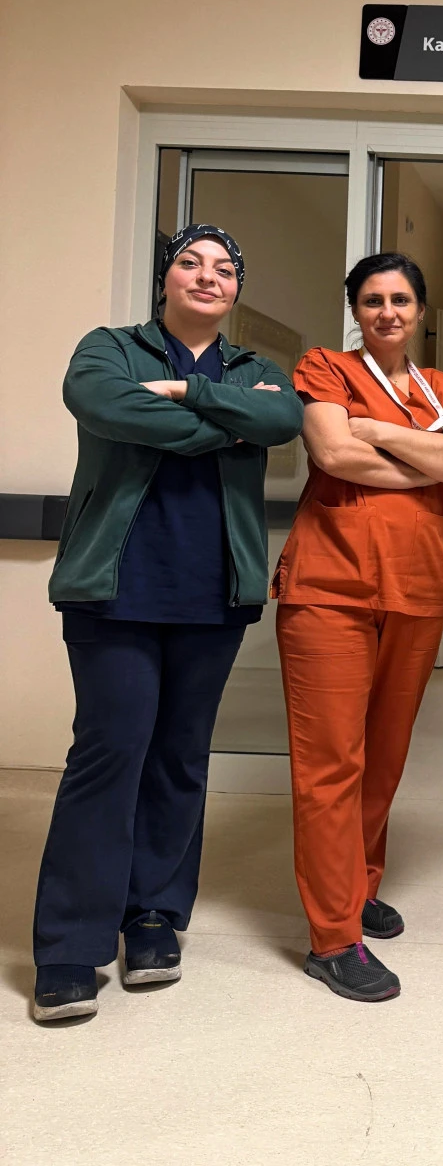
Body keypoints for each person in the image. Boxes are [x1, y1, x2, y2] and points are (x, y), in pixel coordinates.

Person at [33, 224, 304, 1023]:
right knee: (109, 754)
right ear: (166, 279)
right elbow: (102, 404)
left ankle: (152, 915)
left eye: (224, 268)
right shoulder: (110, 349)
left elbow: (283, 422)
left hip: (212, 593)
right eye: (191, 262)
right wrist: (228, 424)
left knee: (181, 757)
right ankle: (70, 945)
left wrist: (186, 395)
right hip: (113, 587)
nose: (207, 276)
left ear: (236, 289)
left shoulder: (257, 370)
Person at [274, 252, 443, 1003]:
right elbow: (332, 451)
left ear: (419, 310)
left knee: (384, 758)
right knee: (331, 763)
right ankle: (333, 939)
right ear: (355, 310)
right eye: (372, 300)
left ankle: (356, 887)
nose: (387, 311)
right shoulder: (325, 367)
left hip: (417, 590)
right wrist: (422, 455)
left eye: (400, 299)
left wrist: (373, 430)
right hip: (330, 589)